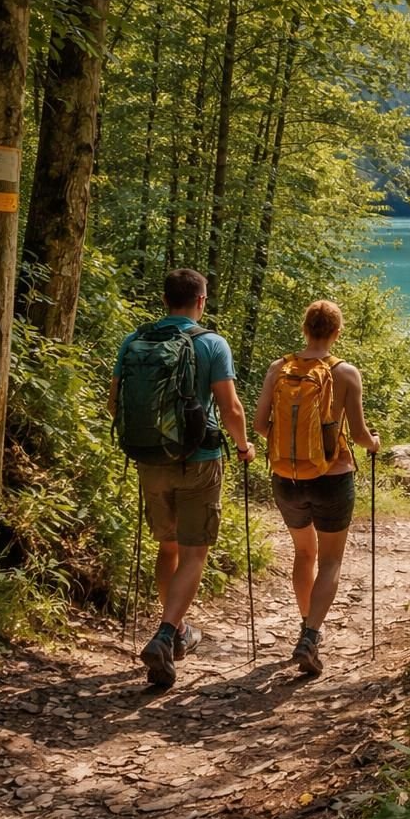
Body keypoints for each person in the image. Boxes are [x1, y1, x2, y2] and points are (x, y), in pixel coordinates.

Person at [111, 268, 256, 688]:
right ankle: (166, 633)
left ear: (164, 301)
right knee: (194, 553)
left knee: (167, 546)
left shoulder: (134, 341)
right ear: (201, 301)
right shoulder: (211, 343)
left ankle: (173, 630)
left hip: (149, 460)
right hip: (200, 460)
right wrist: (244, 447)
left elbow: (113, 403)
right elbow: (230, 409)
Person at [253, 300, 380, 676]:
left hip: (287, 478)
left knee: (303, 554)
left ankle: (305, 623)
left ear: (305, 328)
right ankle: (310, 636)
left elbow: (261, 424)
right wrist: (374, 443)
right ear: (336, 332)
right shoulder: (345, 373)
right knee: (331, 561)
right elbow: (358, 435)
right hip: (332, 479)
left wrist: (292, 448)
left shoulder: (279, 368)